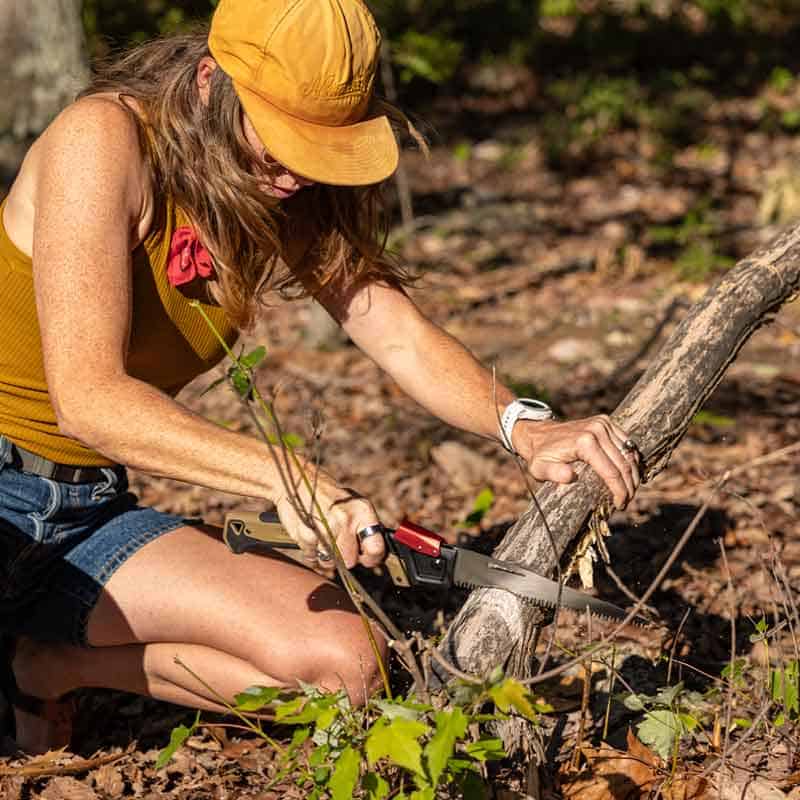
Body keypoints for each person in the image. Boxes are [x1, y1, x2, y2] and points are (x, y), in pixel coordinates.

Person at [0, 0, 639, 754]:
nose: (297, 168)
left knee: (346, 668)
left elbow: (395, 332)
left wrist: (523, 426)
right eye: (282, 139)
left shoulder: (278, 190)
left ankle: (43, 665)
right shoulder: (106, 141)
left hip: (88, 509)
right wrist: (285, 476)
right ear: (210, 82)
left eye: (320, 148)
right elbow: (87, 399)